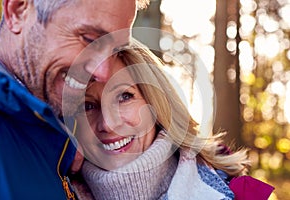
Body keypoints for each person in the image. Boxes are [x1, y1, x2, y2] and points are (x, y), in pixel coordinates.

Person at [73, 39, 275, 200]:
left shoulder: (229, 192)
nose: (107, 124)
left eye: (124, 97)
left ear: (156, 102)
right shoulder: (51, 186)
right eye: (88, 106)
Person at [0, 0, 150, 199]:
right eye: (89, 39)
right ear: (18, 11)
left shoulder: (62, 138)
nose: (103, 73)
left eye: (114, 51)